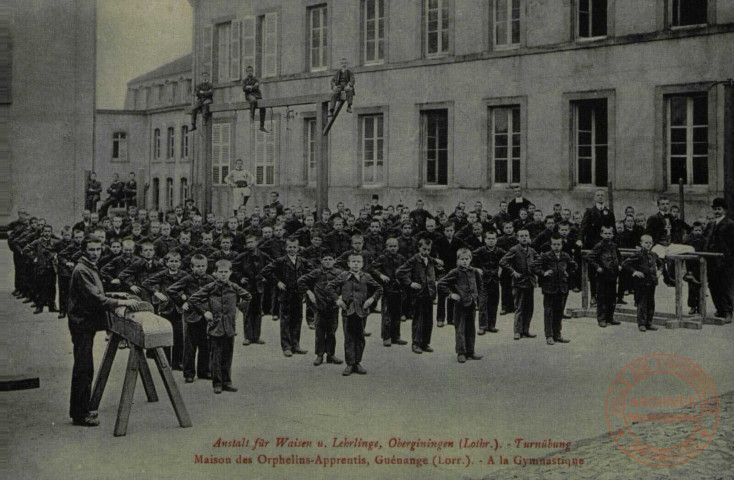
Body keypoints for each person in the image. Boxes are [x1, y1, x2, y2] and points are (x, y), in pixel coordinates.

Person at [67, 237, 139, 426]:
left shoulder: (89, 266)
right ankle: (80, 414)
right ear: (84, 250)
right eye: (91, 249)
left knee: (85, 367)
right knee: (83, 368)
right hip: (82, 324)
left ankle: (82, 409)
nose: (95, 252)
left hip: (85, 323)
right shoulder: (82, 270)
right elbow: (96, 299)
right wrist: (122, 302)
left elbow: (100, 293)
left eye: (98, 249)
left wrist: (115, 295)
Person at [188, 259, 251, 394]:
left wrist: (238, 309)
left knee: (228, 355)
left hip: (229, 327)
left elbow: (248, 296)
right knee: (215, 357)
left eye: (226, 272)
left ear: (230, 273)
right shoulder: (210, 287)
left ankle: (227, 382)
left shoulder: (234, 287)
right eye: (220, 272)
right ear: (215, 273)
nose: (223, 275)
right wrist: (205, 312)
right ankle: (217, 383)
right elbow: (193, 299)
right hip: (215, 327)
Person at [326, 253, 383, 376]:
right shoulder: (343, 276)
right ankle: (350, 364)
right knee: (349, 337)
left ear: (362, 264)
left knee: (360, 337)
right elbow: (329, 287)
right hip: (348, 311)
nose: (356, 264)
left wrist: (371, 300)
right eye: (353, 262)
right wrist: (337, 300)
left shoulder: (366, 276)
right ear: (348, 264)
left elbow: (379, 288)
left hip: (362, 311)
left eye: (358, 262)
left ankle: (358, 362)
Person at [167, 254, 214, 383]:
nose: (200, 269)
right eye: (198, 266)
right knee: (189, 346)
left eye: (203, 266)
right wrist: (181, 302)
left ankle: (204, 370)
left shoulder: (210, 279)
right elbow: (171, 290)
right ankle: (189, 373)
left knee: (205, 344)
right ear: (192, 267)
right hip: (191, 316)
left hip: (206, 316)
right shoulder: (187, 279)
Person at [262, 237, 311, 357]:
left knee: (297, 319)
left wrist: (305, 286)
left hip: (298, 295)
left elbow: (311, 273)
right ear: (286, 247)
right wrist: (277, 282)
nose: (292, 249)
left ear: (298, 248)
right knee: (285, 321)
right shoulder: (280, 261)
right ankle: (286, 347)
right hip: (285, 295)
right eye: (290, 247)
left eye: (294, 247)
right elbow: (266, 271)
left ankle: (296, 345)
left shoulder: (302, 261)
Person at [437, 248, 484, 363]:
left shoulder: (475, 272)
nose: (464, 261)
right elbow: (441, 284)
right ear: (457, 260)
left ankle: (470, 351)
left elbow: (480, 286)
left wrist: (479, 299)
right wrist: (451, 294)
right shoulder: (454, 272)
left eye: (467, 259)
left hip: (472, 304)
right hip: (460, 305)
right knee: (460, 328)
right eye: (462, 259)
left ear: (470, 259)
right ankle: (461, 352)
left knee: (471, 328)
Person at [298, 252, 344, 366]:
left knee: (332, 331)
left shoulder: (339, 273)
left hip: (333, 307)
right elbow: (301, 281)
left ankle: (331, 355)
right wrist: (309, 293)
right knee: (320, 331)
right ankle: (319, 355)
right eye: (325, 259)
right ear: (321, 261)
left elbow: (345, 285)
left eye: (330, 259)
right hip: (320, 306)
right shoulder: (317, 272)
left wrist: (341, 296)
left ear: (334, 261)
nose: (328, 261)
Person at [532, 235, 577, 345]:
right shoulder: (545, 256)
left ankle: (558, 334)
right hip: (549, 288)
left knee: (559, 312)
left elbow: (574, 265)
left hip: (562, 288)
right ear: (551, 245)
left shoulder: (565, 256)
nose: (556, 246)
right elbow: (533, 266)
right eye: (554, 244)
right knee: (548, 312)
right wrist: (544, 273)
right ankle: (549, 335)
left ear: (562, 245)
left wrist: (568, 273)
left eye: (558, 244)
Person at [396, 238, 439, 354]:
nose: (426, 252)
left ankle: (425, 343)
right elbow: (399, 272)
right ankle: (416, 343)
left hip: (429, 294)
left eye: (429, 250)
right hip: (418, 295)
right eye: (424, 249)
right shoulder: (413, 260)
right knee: (418, 320)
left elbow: (437, 271)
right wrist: (410, 283)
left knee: (428, 320)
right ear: (419, 248)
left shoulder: (430, 260)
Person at [578, 189, 616, 305]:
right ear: (594, 198)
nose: (600, 197)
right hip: (592, 245)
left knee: (606, 271)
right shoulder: (589, 212)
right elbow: (583, 227)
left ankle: (605, 297)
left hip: (606, 246)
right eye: (598, 195)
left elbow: (613, 229)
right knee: (594, 272)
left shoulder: (609, 212)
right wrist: (580, 239)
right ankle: (593, 296)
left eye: (602, 195)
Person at [500, 229, 538, 340]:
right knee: (519, 308)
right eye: (522, 236)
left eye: (526, 235)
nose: (524, 238)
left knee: (529, 308)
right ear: (518, 237)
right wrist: (513, 272)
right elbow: (503, 261)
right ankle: (517, 331)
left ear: (529, 237)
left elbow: (540, 259)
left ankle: (526, 330)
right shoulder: (514, 250)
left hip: (530, 282)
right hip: (519, 284)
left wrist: (536, 270)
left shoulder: (531, 250)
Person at [233, 235, 272, 345]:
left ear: (257, 242)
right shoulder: (242, 256)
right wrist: (240, 277)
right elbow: (233, 267)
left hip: (259, 287)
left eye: (252, 242)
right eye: (248, 242)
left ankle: (256, 336)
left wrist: (266, 277)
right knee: (247, 311)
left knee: (258, 311)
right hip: (247, 287)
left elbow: (273, 265)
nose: (250, 244)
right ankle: (248, 337)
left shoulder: (263, 255)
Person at [371, 237, 408, 347]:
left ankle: (396, 337)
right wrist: (381, 275)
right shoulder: (382, 258)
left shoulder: (401, 258)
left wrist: (403, 279)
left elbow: (407, 268)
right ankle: (386, 337)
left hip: (398, 289)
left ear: (398, 247)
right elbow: (372, 268)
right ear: (386, 247)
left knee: (397, 314)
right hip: (387, 289)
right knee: (387, 314)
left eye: (395, 246)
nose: (393, 248)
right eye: (390, 246)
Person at [622, 235, 662, 332]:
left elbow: (661, 263)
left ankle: (649, 322)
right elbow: (625, 264)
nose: (648, 245)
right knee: (642, 303)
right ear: (641, 244)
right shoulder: (638, 254)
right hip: (641, 283)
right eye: (646, 243)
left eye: (650, 243)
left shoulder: (654, 255)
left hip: (652, 282)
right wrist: (635, 272)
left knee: (651, 303)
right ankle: (641, 323)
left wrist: (660, 271)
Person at [705, 198, 734, 323]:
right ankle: (719, 309)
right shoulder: (711, 224)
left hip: (724, 261)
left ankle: (728, 312)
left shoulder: (730, 224)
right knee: (713, 285)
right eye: (715, 209)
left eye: (719, 209)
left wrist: (728, 259)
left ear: (725, 210)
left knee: (725, 286)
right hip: (711, 260)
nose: (717, 211)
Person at [586, 225, 621, 328]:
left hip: (613, 275)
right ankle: (601, 319)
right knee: (602, 298)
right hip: (603, 276)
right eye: (605, 233)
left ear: (613, 234)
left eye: (610, 233)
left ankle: (610, 318)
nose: (608, 235)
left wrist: (619, 265)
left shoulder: (614, 245)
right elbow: (590, 257)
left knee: (612, 298)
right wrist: (598, 267)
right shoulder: (599, 245)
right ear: (601, 234)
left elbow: (619, 257)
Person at [472, 230, 505, 335]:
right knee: (482, 304)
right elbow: (468, 258)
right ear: (485, 240)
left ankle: (491, 325)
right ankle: (482, 326)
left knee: (494, 303)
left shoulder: (500, 251)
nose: (491, 241)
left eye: (493, 239)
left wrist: (501, 268)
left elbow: (507, 259)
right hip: (483, 282)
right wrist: (476, 268)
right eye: (489, 239)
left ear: (496, 240)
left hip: (495, 281)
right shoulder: (480, 250)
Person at [242, 65, 267, 132]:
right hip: (249, 95)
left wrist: (249, 87)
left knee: (263, 107)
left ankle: (262, 125)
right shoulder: (244, 80)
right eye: (248, 71)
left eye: (251, 71)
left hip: (257, 95)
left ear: (253, 71)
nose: (250, 72)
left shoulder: (256, 79)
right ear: (246, 72)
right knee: (253, 100)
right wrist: (252, 86)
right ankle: (252, 116)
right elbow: (244, 88)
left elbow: (257, 87)